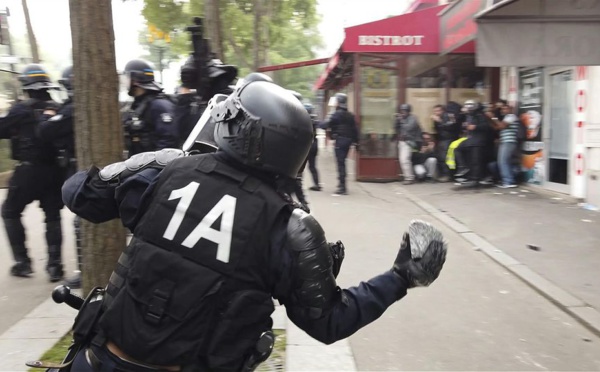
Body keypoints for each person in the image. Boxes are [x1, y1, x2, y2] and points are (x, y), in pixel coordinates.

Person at [62, 80, 448, 371]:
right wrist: (400, 277)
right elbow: (329, 321)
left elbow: (79, 194)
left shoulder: (164, 170)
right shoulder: (292, 227)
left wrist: (137, 165)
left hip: (100, 361)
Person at [0, 64, 65, 281]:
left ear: (27, 86)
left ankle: (23, 263)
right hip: (54, 171)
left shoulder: (21, 110)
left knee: (9, 211)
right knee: (53, 217)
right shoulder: (57, 107)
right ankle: (55, 266)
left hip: (28, 172)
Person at [36, 65, 82, 287]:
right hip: (78, 168)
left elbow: (45, 132)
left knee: (81, 221)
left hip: (81, 169)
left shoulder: (71, 110)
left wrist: (47, 116)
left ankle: (85, 271)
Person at [121, 59, 179, 157]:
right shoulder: (136, 105)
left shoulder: (159, 105)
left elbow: (169, 140)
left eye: (126, 77)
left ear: (135, 80)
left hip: (154, 166)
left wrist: (152, 164)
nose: (124, 81)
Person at [323, 93, 359, 195]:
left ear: (339, 102)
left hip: (340, 140)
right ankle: (342, 184)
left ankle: (342, 187)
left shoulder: (337, 114)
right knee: (342, 162)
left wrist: (316, 123)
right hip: (348, 141)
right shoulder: (350, 115)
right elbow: (355, 129)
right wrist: (357, 142)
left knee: (341, 163)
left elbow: (327, 124)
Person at [489, 104, 520, 188]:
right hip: (505, 142)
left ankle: (509, 181)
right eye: (503, 109)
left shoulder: (511, 116)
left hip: (509, 142)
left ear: (511, 110)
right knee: (503, 161)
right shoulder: (506, 118)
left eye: (506, 109)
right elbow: (497, 127)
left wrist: (493, 117)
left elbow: (502, 126)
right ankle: (508, 180)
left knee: (503, 161)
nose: (504, 110)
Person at [431, 103, 461, 182]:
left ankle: (448, 175)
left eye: (438, 111)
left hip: (448, 139)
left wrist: (439, 121)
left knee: (446, 158)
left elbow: (450, 127)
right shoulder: (439, 118)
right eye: (435, 111)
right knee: (442, 158)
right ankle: (446, 174)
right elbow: (437, 129)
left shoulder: (448, 116)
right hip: (442, 139)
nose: (436, 113)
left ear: (442, 110)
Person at [394, 103, 422, 185]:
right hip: (402, 141)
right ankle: (409, 176)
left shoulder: (413, 118)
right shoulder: (401, 118)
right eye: (402, 110)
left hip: (409, 141)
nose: (403, 112)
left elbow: (409, 127)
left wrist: (401, 120)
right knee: (404, 160)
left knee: (404, 160)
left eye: (405, 111)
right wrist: (396, 120)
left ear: (408, 111)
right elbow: (395, 128)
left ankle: (409, 178)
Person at [305, 103, 322, 191]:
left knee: (299, 166)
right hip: (314, 144)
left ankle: (295, 184)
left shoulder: (304, 120)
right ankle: (317, 184)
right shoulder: (315, 121)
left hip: (306, 145)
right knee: (312, 166)